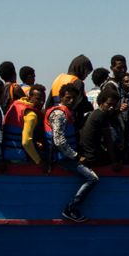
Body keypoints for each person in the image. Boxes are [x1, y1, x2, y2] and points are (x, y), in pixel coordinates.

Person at [44, 83, 98, 223]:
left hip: (67, 155)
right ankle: (71, 208)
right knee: (92, 178)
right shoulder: (59, 114)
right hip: (63, 157)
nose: (72, 101)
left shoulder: (68, 112)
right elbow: (59, 140)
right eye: (68, 98)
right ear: (61, 97)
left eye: (74, 98)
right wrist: (75, 156)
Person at [80, 89, 124, 169]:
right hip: (92, 158)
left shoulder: (95, 113)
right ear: (101, 103)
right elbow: (108, 141)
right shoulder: (101, 116)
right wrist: (114, 162)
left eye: (114, 106)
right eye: (109, 104)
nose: (111, 108)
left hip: (87, 154)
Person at [1, 84, 46, 164]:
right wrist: (39, 161)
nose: (41, 102)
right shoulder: (31, 115)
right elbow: (26, 142)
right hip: (19, 157)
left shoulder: (16, 104)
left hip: (5, 154)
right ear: (29, 97)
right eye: (38, 99)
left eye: (43, 100)